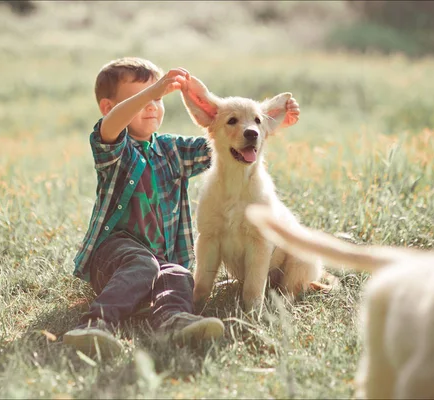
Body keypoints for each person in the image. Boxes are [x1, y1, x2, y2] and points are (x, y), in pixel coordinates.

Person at [63, 57, 300, 357]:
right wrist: (151, 92)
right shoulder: (113, 150)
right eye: (139, 99)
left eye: (158, 98)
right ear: (110, 108)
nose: (151, 104)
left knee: (178, 274)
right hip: (115, 256)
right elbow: (109, 128)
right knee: (142, 264)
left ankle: (174, 322)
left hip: (160, 260)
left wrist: (271, 122)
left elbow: (227, 138)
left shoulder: (171, 149)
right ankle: (94, 325)